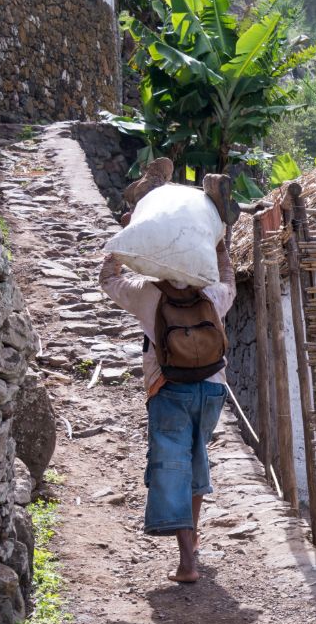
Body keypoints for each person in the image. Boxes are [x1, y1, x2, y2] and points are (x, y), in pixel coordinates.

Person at [100, 172, 236, 583]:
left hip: (168, 389)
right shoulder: (212, 295)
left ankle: (187, 561)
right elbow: (229, 277)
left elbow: (108, 279)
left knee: (173, 466)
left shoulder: (148, 294)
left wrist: (124, 239)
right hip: (212, 389)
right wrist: (220, 242)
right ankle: (192, 545)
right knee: (197, 462)